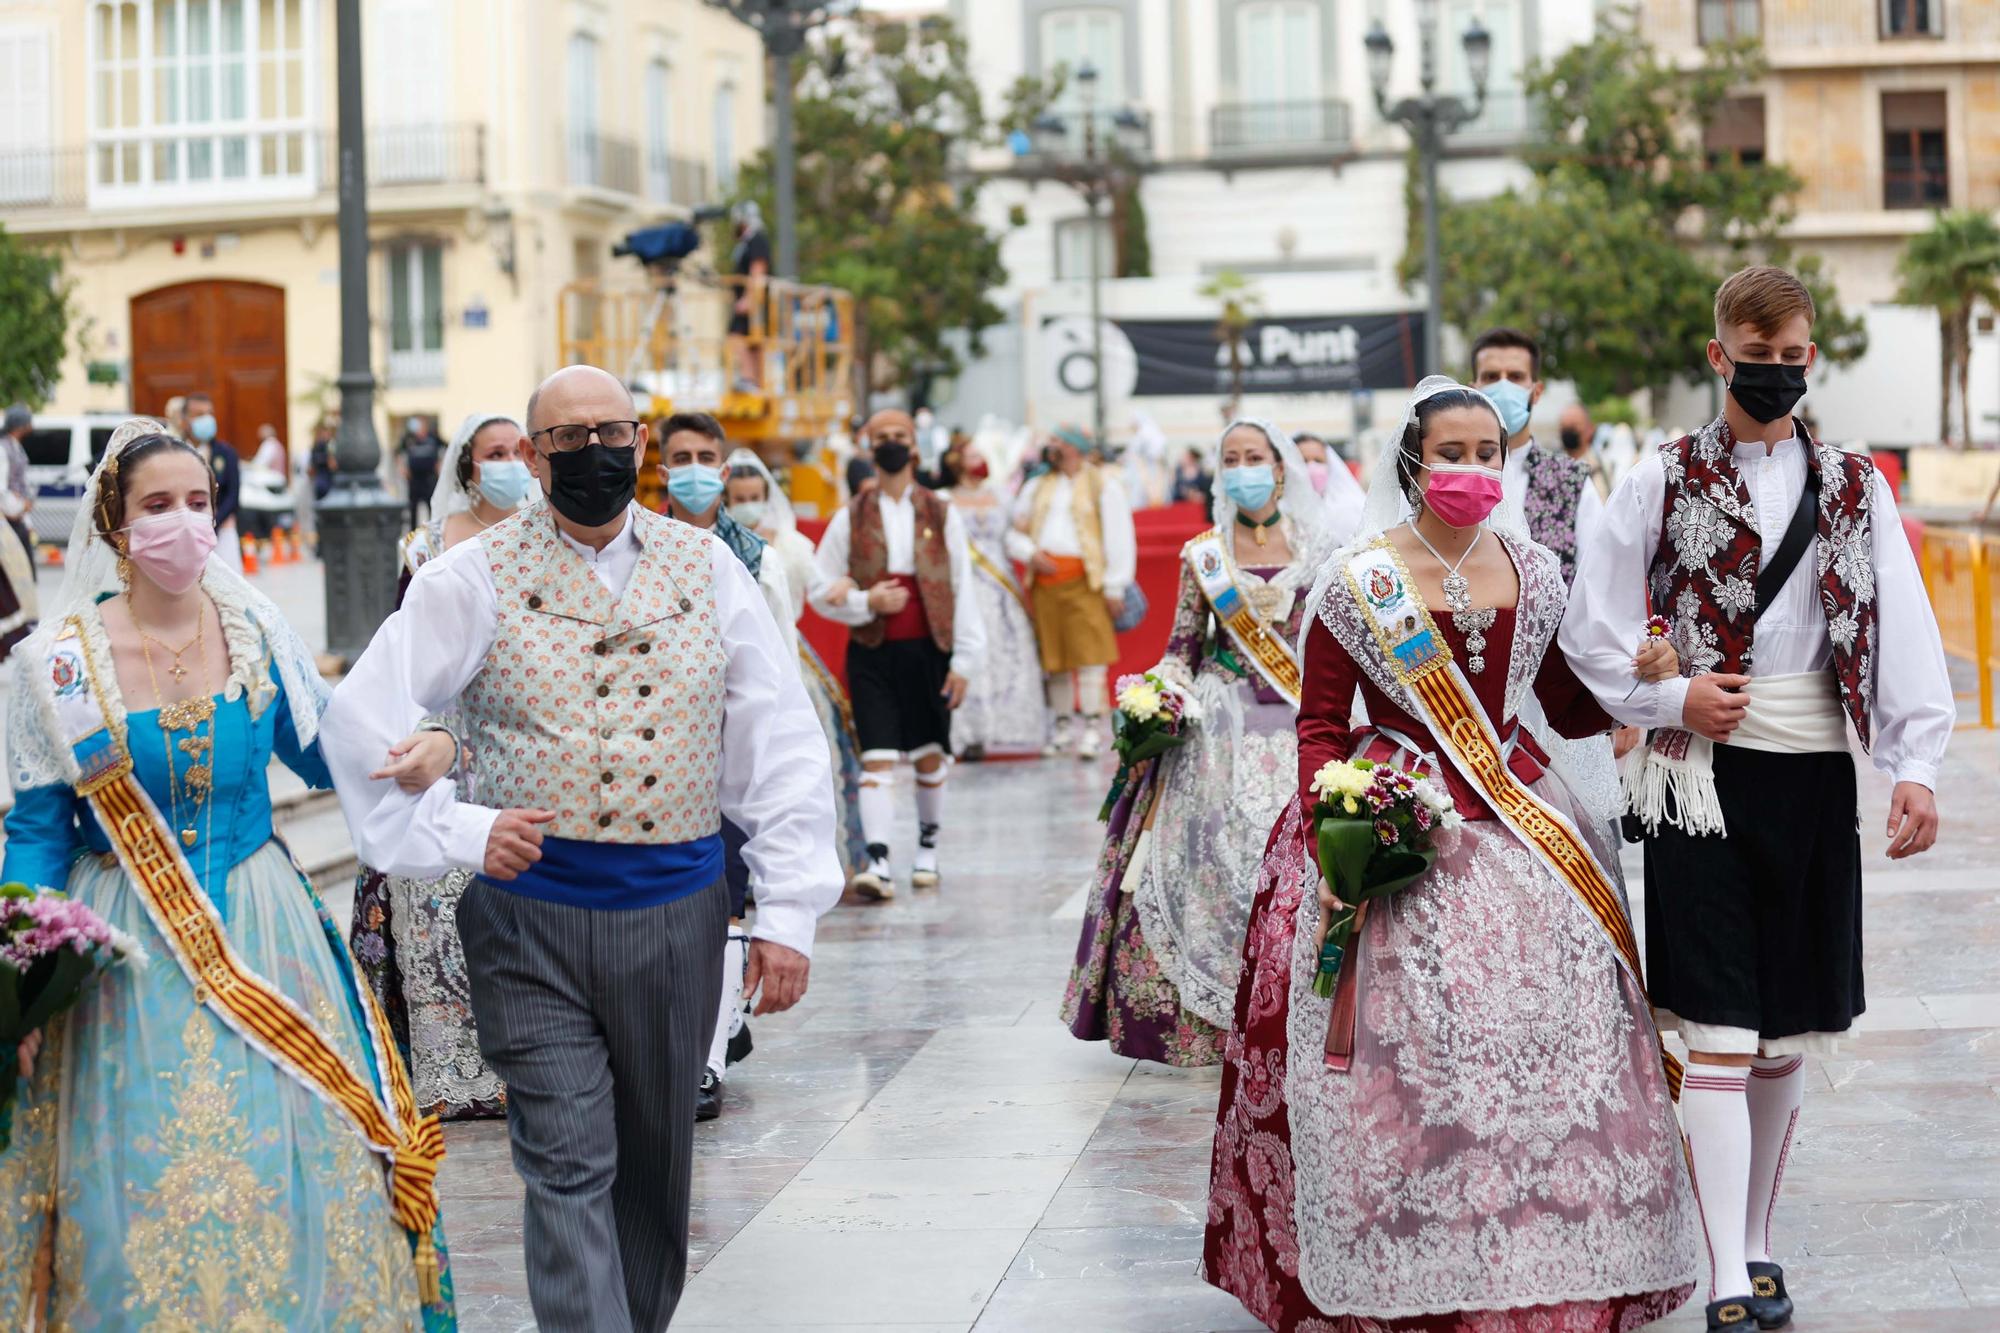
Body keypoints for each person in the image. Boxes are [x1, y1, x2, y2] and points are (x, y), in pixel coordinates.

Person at [323, 365, 844, 1332]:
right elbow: (357, 728)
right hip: (532, 924)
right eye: (564, 439)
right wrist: (462, 828)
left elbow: (777, 743)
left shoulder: (711, 567)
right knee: (565, 1161)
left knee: (653, 1170)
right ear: (532, 454)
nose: (590, 453)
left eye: (610, 433)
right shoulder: (466, 578)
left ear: (638, 443)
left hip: (678, 916)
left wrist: (787, 912)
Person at [1204, 377, 1697, 1332]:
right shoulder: (1357, 579)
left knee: (1549, 1042)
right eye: (1452, 453)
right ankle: (1409, 1244)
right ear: (1412, 461)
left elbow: (1563, 705)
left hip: (1525, 818)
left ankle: (1558, 1248)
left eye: (1486, 454)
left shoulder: (1538, 570)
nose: (1471, 469)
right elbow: (1318, 721)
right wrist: (1327, 825)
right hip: (1401, 826)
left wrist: (1646, 688)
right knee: (1417, 1053)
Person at [1561, 266, 1955, 1333]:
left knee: (1784, 1032)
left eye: (1792, 357)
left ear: (1806, 355)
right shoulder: (1657, 477)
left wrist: (1913, 764)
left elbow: (1901, 625)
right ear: (1716, 352)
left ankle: (1759, 1243)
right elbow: (1588, 622)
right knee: (1722, 1030)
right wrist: (1667, 690)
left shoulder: (1851, 482)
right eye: (1756, 353)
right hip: (1700, 780)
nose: (1775, 373)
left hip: (1813, 769)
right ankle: (1725, 1275)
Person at [0, 419, 460, 1329]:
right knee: (131, 1176)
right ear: (115, 523)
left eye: (198, 503)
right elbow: (37, 835)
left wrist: (432, 745)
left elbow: (337, 754)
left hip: (265, 928)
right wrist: (24, 984)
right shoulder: (55, 663)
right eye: (157, 506)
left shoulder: (255, 632)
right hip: (122, 958)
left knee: (295, 1152)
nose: (183, 523)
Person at [1064, 419, 1331, 1066]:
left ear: (1279, 467)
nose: (1242, 467)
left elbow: (1328, 644)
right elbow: (1181, 649)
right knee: (1207, 857)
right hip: (1220, 725)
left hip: (1300, 722)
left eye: (1254, 457)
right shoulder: (1204, 553)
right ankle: (1212, 1019)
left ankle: (1300, 1008)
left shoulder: (1324, 549)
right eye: (1230, 457)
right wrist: (1160, 696)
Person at [348, 411, 536, 1124]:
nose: (507, 464)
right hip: (438, 733)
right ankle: (447, 1065)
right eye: (493, 453)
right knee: (430, 900)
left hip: (508, 735)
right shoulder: (425, 548)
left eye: (515, 451)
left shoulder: (539, 542)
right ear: (467, 467)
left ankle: (514, 1057)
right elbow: (401, 654)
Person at [657, 411, 795, 1123]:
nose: (692, 467)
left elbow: (780, 668)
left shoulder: (757, 559)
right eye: (679, 455)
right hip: (657, 746)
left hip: (730, 747)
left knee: (727, 894)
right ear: (660, 468)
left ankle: (705, 1062)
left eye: (705, 455)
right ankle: (693, 1034)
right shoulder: (636, 544)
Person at [810, 408, 986, 899]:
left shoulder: (941, 510)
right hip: (872, 651)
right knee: (879, 756)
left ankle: (928, 850)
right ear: (868, 447)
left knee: (930, 754)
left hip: (930, 648)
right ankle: (880, 861)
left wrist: (966, 660)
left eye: (898, 436)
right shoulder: (850, 515)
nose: (890, 444)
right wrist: (868, 602)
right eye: (880, 437)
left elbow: (961, 586)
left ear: (914, 446)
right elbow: (820, 587)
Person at [723, 445, 871, 884]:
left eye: (756, 496)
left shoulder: (790, 546)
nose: (749, 505)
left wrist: (859, 597)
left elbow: (825, 592)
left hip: (789, 660)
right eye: (739, 497)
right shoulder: (716, 545)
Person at [1007, 426, 1136, 760]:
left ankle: (1092, 727)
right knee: (1055, 658)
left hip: (1086, 582)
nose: (1052, 447)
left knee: (1090, 656)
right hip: (1046, 585)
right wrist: (1029, 553)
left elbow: (1120, 536)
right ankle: (1062, 727)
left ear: (1075, 448)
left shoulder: (1102, 484)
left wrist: (1114, 584)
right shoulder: (1036, 485)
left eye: (1059, 442)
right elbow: (1013, 531)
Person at [1469, 327, 1603, 587]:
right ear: (1474, 389)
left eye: (1516, 376)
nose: (1504, 386)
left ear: (1536, 391)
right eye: (1492, 376)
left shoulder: (1571, 481)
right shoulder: (1449, 476)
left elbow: (1596, 578)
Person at [942, 437, 1047, 758]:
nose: (980, 460)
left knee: (1009, 651)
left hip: (1002, 587)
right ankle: (970, 732)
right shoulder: (943, 500)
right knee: (972, 652)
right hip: (964, 585)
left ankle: (1008, 728)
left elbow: (1011, 536)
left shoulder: (1001, 496)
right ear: (957, 461)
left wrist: (1031, 554)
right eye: (974, 455)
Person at [184, 391, 244, 572]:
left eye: (210, 413)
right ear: (186, 419)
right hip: (186, 533)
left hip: (222, 532)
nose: (207, 419)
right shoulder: (174, 451)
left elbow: (233, 496)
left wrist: (213, 521)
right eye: (200, 415)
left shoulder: (226, 453)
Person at [1292, 429, 1369, 540]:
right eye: (1303, 461)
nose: (1312, 466)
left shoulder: (1351, 509)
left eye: (1318, 461)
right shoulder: (1282, 511)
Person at [728, 201, 772, 392]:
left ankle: (749, 378)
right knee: (752, 341)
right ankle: (754, 380)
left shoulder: (756, 239)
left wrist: (749, 298)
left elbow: (758, 269)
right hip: (753, 300)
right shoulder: (747, 241)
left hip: (755, 302)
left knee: (737, 336)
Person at [2, 403, 36, 564]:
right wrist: (19, 506)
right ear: (21, 425)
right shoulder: (3, 448)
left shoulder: (15, 446)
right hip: (9, 516)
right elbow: (2, 486)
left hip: (18, 515)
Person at [398, 414, 444, 534]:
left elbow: (446, 449)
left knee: (431, 506)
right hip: (414, 479)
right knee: (413, 509)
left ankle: (433, 532)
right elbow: (397, 452)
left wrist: (440, 465)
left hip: (429, 478)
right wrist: (402, 468)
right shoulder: (409, 439)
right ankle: (412, 534)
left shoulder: (433, 438)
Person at [1558, 400, 1613, 500]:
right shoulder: (1553, 469)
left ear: (1590, 429)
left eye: (1574, 426)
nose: (1568, 431)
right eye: (1564, 426)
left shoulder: (1606, 467)